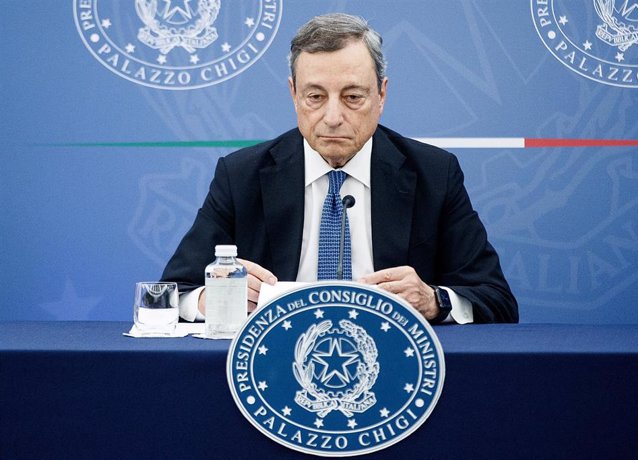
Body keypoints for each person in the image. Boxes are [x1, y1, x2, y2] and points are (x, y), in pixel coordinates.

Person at [161, 13, 518, 324]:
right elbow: (173, 293)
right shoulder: (242, 176)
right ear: (293, 94)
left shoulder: (434, 174)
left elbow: (496, 299)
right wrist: (214, 300)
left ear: (381, 95)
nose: (333, 118)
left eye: (352, 97)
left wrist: (434, 301)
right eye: (315, 97)